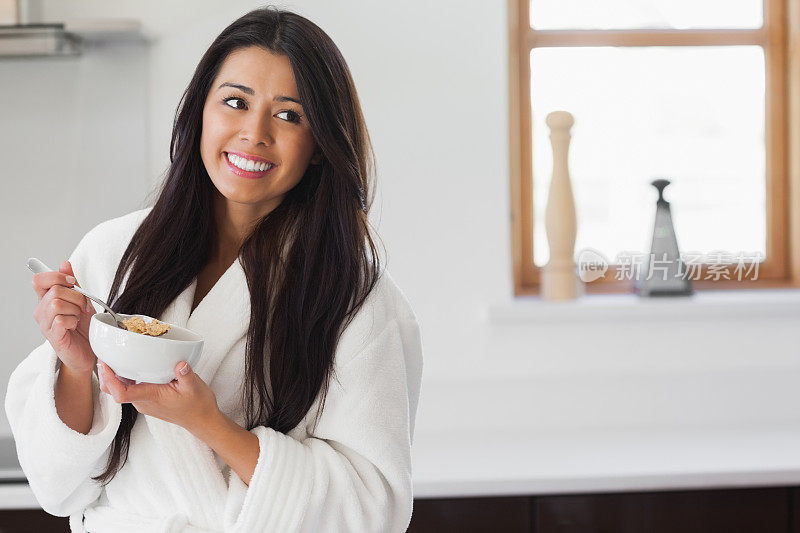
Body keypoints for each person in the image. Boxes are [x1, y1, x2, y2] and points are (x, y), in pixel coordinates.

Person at [4, 7, 423, 532]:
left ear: (321, 147)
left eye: (289, 115)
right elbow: (54, 487)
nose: (254, 133)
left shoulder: (358, 301)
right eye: (235, 102)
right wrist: (75, 366)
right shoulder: (113, 252)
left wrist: (207, 424)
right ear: (201, 111)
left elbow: (372, 510)